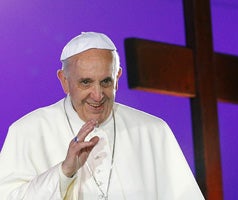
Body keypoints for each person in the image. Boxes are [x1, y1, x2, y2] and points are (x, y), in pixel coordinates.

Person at [0, 32, 205, 200]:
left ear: (117, 78)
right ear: (64, 81)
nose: (97, 95)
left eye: (106, 82)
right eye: (86, 82)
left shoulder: (153, 131)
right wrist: (64, 172)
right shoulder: (27, 131)